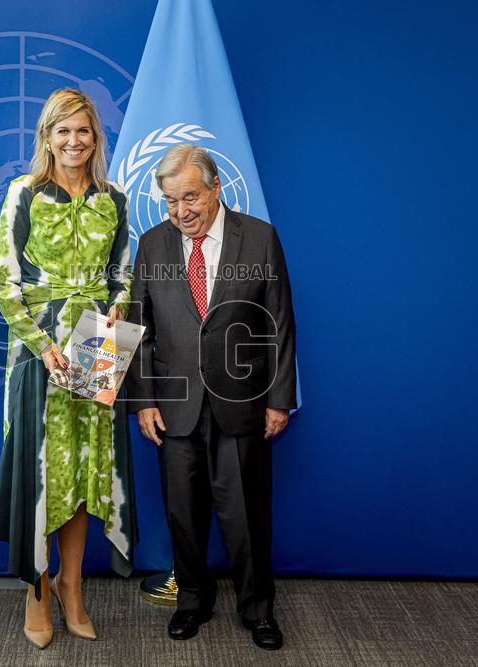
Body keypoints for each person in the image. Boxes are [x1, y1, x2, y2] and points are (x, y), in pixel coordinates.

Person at [126, 145, 297, 651]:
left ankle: (257, 610)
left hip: (242, 403)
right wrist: (144, 401)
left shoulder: (260, 238)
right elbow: (138, 325)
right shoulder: (152, 244)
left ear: (215, 188)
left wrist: (279, 399)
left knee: (245, 516)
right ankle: (192, 602)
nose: (181, 211)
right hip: (174, 406)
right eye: (170, 201)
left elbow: (281, 324)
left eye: (190, 197)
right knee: (183, 513)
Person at [0, 88, 136, 649]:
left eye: (84, 132)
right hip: (40, 348)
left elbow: (124, 271)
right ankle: (38, 589)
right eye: (62, 131)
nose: (74, 142)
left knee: (86, 469)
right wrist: (40, 345)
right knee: (45, 469)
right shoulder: (23, 194)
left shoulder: (115, 198)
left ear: (96, 138)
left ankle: (74, 587)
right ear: (46, 138)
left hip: (100, 341)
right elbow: (4, 282)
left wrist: (117, 308)